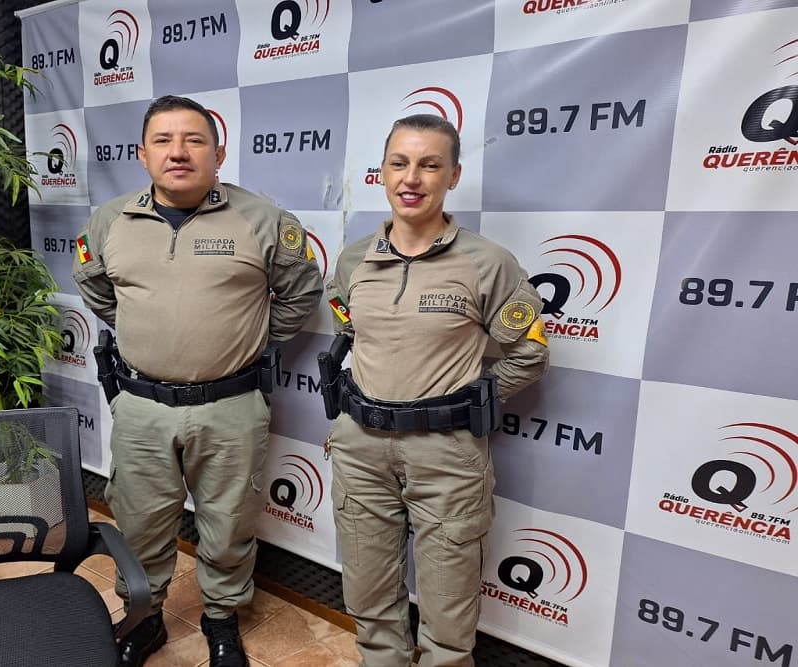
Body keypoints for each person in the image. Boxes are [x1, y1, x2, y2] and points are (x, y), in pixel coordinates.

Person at [73, 95, 322, 667]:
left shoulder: (264, 220)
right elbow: (98, 292)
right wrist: (151, 333)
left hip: (231, 405)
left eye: (193, 140)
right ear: (142, 154)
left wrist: (248, 339)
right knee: (137, 522)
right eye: (163, 140)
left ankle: (221, 622)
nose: (178, 152)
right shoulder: (110, 220)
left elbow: (301, 294)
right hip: (141, 406)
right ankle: (146, 618)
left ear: (218, 152)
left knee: (229, 522)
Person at [322, 114, 549, 667]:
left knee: (449, 612)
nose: (412, 178)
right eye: (399, 163)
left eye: (430, 165)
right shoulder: (354, 260)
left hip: (446, 455)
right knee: (369, 595)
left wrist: (465, 399)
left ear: (453, 175)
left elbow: (530, 352)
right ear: (381, 173)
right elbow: (348, 334)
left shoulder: (487, 263)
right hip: (360, 450)